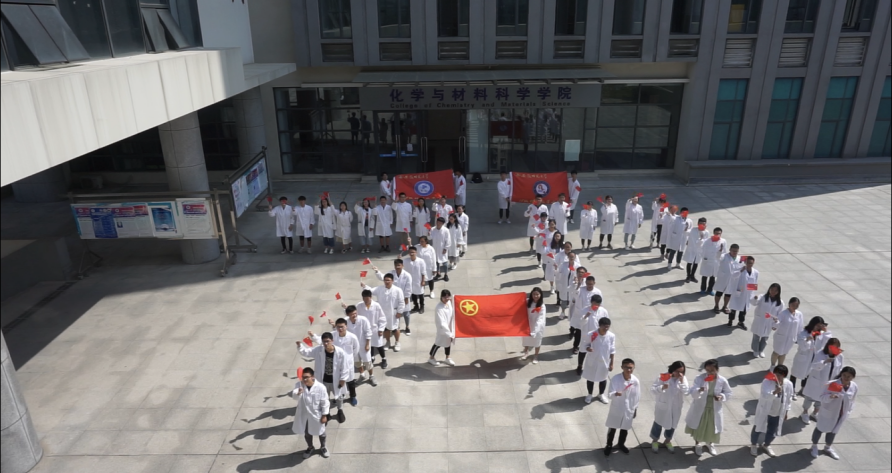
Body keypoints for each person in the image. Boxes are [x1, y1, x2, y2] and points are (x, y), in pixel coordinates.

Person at [297, 332, 350, 423]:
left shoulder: (340, 352)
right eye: (324, 341)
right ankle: (326, 413)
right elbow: (307, 352)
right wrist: (300, 346)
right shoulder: (319, 350)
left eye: (327, 341)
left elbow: (345, 367)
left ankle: (340, 410)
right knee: (324, 398)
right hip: (323, 380)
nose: (325, 343)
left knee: (339, 397)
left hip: (336, 380)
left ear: (332, 341)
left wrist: (343, 379)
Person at [685, 359, 733, 456]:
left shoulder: (722, 380)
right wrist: (699, 389)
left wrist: (721, 396)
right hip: (701, 407)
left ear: (717, 369)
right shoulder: (699, 378)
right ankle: (698, 444)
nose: (709, 372)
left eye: (712, 370)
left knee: (712, 427)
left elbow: (728, 392)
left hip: (714, 407)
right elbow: (693, 391)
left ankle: (710, 444)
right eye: (707, 370)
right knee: (699, 426)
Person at [310, 319, 361, 406]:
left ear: (346, 326)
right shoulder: (333, 335)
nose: (340, 329)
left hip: (348, 363)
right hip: (336, 363)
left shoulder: (352, 337)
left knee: (350, 381)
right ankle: (340, 395)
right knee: (337, 382)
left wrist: (349, 358)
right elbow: (322, 340)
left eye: (342, 327)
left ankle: (353, 396)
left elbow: (356, 349)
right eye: (338, 327)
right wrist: (313, 336)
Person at [810, 366, 857, 460]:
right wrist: (830, 397)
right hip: (828, 412)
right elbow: (821, 397)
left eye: (849, 376)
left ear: (853, 377)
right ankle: (814, 446)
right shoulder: (832, 384)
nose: (846, 378)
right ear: (841, 374)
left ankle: (827, 447)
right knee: (820, 428)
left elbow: (853, 399)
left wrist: (849, 411)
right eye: (844, 375)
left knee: (833, 431)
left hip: (841, 413)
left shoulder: (854, 386)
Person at [750, 364, 794, 458]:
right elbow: (764, 396)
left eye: (779, 375)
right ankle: (753, 444)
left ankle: (766, 445)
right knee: (758, 427)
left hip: (778, 412)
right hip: (765, 410)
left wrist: (786, 412)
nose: (776, 377)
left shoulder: (789, 384)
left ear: (784, 375)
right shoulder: (767, 382)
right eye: (775, 374)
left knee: (772, 430)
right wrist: (775, 392)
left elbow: (788, 399)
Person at [801, 338, 844, 425]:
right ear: (828, 346)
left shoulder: (840, 356)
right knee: (809, 397)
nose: (834, 350)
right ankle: (804, 412)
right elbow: (814, 366)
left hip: (829, 382)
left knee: (822, 399)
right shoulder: (820, 353)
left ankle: (815, 413)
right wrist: (824, 362)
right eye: (832, 347)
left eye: (836, 348)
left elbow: (840, 369)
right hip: (817, 381)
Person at [291, 367, 330, 459]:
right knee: (307, 433)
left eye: (306, 377)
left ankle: (323, 447)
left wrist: (324, 415)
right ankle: (310, 447)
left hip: (317, 415)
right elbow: (294, 396)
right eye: (303, 377)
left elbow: (325, 402)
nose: (304, 379)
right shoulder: (299, 385)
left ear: (312, 377)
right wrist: (298, 393)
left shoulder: (320, 387)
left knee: (321, 433)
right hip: (305, 415)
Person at [361, 273, 406, 353]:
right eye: (385, 280)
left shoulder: (398, 290)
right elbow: (370, 291)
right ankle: (388, 342)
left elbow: (401, 302)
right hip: (382, 313)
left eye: (388, 280)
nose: (386, 282)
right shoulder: (379, 289)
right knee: (385, 328)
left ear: (392, 281)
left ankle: (397, 342)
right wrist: (365, 286)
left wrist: (399, 312)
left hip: (393, 313)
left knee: (395, 328)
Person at [650, 361, 689, 454]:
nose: (679, 374)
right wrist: (662, 387)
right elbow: (653, 390)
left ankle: (667, 441)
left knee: (673, 424)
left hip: (676, 407)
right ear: (672, 369)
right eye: (677, 371)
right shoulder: (663, 376)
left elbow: (687, 392)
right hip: (663, 405)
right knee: (658, 423)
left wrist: (682, 382)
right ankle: (655, 441)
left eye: (682, 372)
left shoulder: (683, 379)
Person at [604, 358, 640, 456]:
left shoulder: (635, 381)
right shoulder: (616, 379)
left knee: (625, 428)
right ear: (622, 367)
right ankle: (609, 445)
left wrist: (635, 409)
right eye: (626, 367)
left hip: (629, 409)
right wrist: (615, 393)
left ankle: (621, 444)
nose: (629, 370)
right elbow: (609, 394)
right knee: (613, 427)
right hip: (617, 408)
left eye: (631, 368)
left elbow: (637, 396)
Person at [790, 315, 830, 398]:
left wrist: (826, 332)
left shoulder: (820, 334)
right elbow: (803, 347)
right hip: (803, 357)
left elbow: (826, 343)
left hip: (813, 358)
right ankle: (792, 390)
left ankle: (802, 390)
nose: (818, 327)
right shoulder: (804, 333)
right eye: (817, 325)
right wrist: (807, 340)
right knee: (795, 373)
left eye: (820, 326)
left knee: (807, 375)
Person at [372, 259, 413, 338]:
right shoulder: (391, 273)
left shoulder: (407, 275)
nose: (397, 267)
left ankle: (407, 327)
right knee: (396, 314)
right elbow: (383, 277)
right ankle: (396, 327)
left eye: (399, 265)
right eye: (396, 265)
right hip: (394, 297)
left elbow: (408, 287)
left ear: (402, 266)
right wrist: (377, 271)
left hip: (403, 297)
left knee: (406, 313)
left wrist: (406, 297)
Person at [354, 289, 386, 384]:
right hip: (363, 331)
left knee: (379, 345)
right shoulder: (359, 306)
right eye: (364, 299)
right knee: (369, 346)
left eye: (367, 299)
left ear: (371, 297)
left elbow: (382, 318)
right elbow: (353, 315)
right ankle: (371, 358)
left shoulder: (376, 305)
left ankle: (384, 359)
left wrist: (381, 329)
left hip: (374, 329)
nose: (366, 301)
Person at [582, 317, 615, 404]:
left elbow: (612, 350)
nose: (606, 329)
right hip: (592, 361)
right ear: (599, 325)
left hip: (604, 361)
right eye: (604, 326)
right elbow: (585, 345)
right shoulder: (592, 334)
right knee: (590, 378)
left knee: (603, 379)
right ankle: (589, 394)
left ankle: (601, 394)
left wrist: (611, 363)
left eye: (608, 327)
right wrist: (588, 348)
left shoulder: (611, 336)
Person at [338, 305, 373, 385]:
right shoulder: (345, 322)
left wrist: (367, 344)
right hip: (352, 346)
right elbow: (340, 329)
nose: (354, 315)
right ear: (348, 315)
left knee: (367, 361)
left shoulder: (363, 320)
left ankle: (371, 376)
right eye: (352, 314)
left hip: (363, 345)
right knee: (357, 362)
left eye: (355, 313)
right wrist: (334, 325)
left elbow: (368, 332)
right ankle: (362, 374)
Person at [750, 283, 785, 358]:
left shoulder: (780, 303)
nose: (773, 292)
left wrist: (776, 324)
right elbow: (754, 303)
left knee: (765, 337)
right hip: (760, 320)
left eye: (775, 291)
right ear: (769, 289)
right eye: (772, 289)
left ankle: (761, 350)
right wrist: (755, 298)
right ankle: (755, 350)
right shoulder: (762, 297)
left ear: (778, 292)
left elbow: (780, 315)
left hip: (769, 322)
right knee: (756, 336)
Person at [572, 276, 602, 358]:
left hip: (593, 315)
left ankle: (591, 347)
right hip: (582, 314)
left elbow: (600, 303)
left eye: (591, 284)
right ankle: (575, 346)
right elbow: (574, 294)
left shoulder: (598, 292)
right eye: (588, 284)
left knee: (593, 334)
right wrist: (578, 285)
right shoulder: (581, 290)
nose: (589, 286)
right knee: (578, 332)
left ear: (594, 283)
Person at [728, 255, 758, 329]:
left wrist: (753, 294)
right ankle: (730, 320)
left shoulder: (756, 272)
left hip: (747, 294)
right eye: (748, 263)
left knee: (744, 309)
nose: (749, 264)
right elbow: (733, 276)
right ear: (745, 262)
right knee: (734, 307)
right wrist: (740, 271)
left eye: (751, 263)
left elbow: (755, 283)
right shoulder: (740, 269)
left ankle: (740, 322)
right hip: (739, 292)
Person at [712, 243, 743, 314]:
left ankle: (725, 306)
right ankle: (716, 306)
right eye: (733, 251)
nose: (735, 252)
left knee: (728, 293)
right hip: (723, 278)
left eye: (736, 251)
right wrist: (719, 251)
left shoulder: (740, 258)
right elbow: (718, 257)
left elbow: (742, 266)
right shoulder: (724, 256)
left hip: (733, 279)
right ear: (730, 250)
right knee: (719, 292)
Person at [429, 289, 456, 366]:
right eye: (445, 297)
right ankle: (431, 358)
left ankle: (447, 358)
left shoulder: (449, 303)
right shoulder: (439, 308)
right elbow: (442, 322)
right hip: (442, 329)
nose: (446, 299)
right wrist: (448, 333)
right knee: (438, 343)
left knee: (448, 343)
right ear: (441, 297)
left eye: (448, 297)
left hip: (449, 327)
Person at [521, 287, 546, 364]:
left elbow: (540, 319)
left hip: (537, 326)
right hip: (527, 324)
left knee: (537, 341)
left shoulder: (542, 306)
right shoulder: (527, 302)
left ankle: (536, 356)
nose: (535, 296)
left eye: (537, 294)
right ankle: (526, 352)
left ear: (540, 295)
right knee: (526, 340)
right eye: (534, 294)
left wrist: (535, 330)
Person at [699, 228, 727, 295]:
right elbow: (702, 249)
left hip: (716, 262)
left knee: (713, 277)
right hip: (707, 261)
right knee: (705, 276)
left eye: (719, 234)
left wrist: (720, 252)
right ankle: (703, 289)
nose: (718, 235)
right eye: (716, 233)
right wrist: (704, 258)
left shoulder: (723, 241)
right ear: (713, 233)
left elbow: (724, 252)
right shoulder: (707, 241)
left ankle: (710, 290)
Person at [403, 244, 428, 315]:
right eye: (410, 252)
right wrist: (398, 258)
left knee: (420, 294)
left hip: (418, 281)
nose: (411, 253)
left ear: (416, 253)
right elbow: (400, 266)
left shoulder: (421, 261)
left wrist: (423, 281)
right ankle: (416, 306)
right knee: (413, 294)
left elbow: (423, 272)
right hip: (410, 282)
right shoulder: (406, 261)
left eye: (413, 252)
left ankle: (422, 306)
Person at [683, 218, 708, 283]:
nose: (702, 225)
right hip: (691, 249)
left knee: (696, 263)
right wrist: (685, 228)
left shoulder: (706, 232)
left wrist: (701, 239)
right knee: (689, 262)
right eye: (700, 224)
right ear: (698, 224)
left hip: (699, 250)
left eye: (703, 224)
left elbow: (706, 242)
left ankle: (692, 276)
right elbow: (686, 232)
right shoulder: (693, 230)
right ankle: (688, 276)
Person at [555, 251, 578, 319]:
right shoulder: (563, 265)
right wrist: (556, 269)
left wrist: (576, 279)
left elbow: (580, 275)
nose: (571, 258)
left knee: (573, 301)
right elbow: (558, 273)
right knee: (564, 300)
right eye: (570, 256)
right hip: (564, 285)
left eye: (573, 257)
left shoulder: (578, 266)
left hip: (573, 286)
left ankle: (571, 314)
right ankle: (562, 312)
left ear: (575, 257)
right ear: (568, 257)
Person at [430, 217, 452, 282]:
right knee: (436, 262)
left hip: (442, 249)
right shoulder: (432, 229)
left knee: (445, 263)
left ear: (442, 223)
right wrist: (428, 234)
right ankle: (438, 273)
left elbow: (448, 240)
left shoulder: (446, 230)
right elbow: (429, 238)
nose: (438, 223)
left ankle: (446, 274)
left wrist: (446, 248)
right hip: (435, 248)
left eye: (440, 222)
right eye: (437, 222)